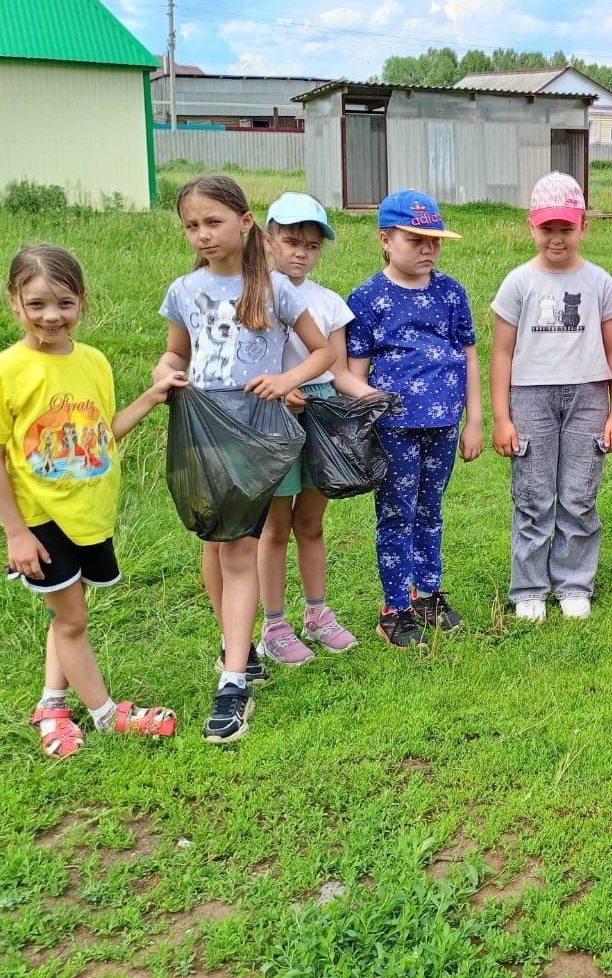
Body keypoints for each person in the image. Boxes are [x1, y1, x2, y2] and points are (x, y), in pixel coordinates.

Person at [0, 245, 180, 758]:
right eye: (36, 304)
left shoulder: (94, 363)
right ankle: (105, 714)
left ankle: (52, 704)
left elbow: (103, 436)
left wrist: (149, 398)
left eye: (63, 303)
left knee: (68, 616)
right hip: (41, 519)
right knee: (74, 619)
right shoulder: (1, 375)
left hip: (89, 516)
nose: (51, 316)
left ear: (82, 300)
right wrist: (17, 532)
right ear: (14, 303)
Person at [155, 175, 336, 743]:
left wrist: (286, 379)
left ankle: (233, 682)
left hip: (256, 429)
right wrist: (164, 371)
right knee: (215, 540)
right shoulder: (183, 290)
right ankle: (235, 646)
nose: (203, 235)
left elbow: (324, 349)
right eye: (192, 225)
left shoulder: (276, 289)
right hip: (202, 424)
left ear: (245, 220)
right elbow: (175, 349)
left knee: (241, 545)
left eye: (213, 222)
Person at [347, 189, 485, 650]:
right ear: (386, 239)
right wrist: (373, 412)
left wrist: (474, 420)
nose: (428, 249)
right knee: (396, 514)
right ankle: (395, 608)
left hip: (444, 423)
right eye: (415, 240)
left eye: (435, 241)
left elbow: (468, 355)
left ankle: (426, 595)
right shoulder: (367, 298)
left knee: (430, 510)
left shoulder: (450, 292)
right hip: (394, 428)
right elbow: (355, 370)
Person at [491, 172, 612, 622]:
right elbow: (502, 353)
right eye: (547, 228)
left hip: (589, 397)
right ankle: (529, 585)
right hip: (531, 398)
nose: (556, 238)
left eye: (566, 228)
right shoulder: (518, 283)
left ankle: (573, 582)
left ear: (582, 227)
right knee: (533, 495)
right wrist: (501, 417)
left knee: (579, 494)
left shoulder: (599, 282)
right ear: (532, 226)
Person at [255, 193, 379, 666]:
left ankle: (317, 614)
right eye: (290, 240)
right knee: (275, 525)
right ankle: (274, 624)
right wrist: (284, 386)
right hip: (273, 414)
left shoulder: (329, 302)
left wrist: (368, 397)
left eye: (311, 244)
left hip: (322, 413)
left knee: (311, 520)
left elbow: (341, 369)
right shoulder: (254, 294)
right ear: (268, 239)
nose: (300, 252)